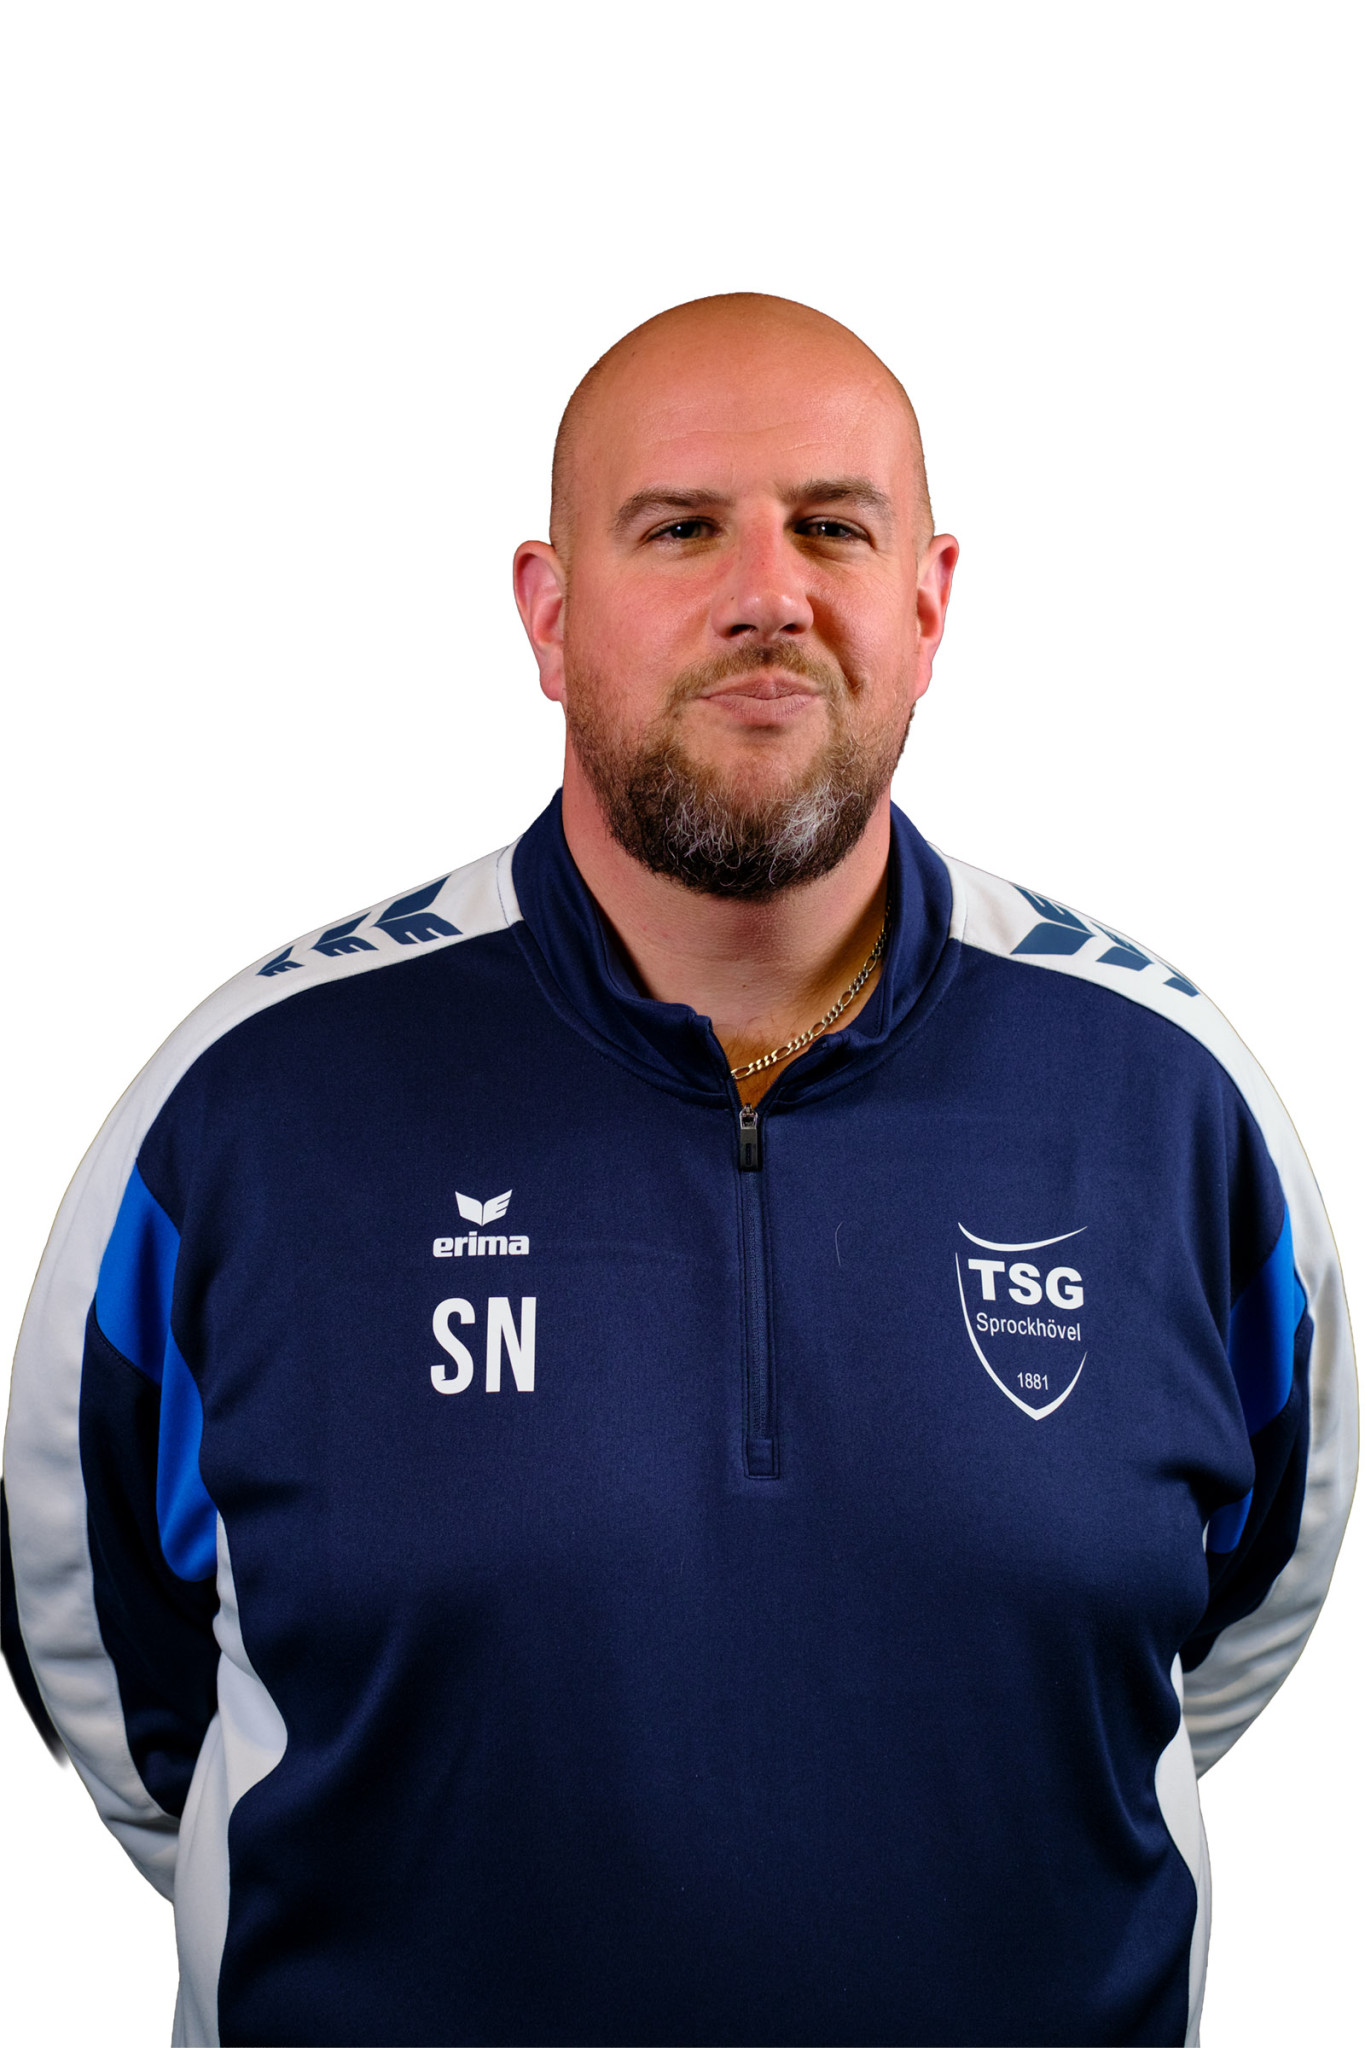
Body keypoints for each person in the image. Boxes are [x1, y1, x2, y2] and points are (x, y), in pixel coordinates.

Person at [1, 293, 1355, 2048]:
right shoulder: (252, 1105)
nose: (767, 593)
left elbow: (1232, 1622)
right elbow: (105, 1662)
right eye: (682, 528)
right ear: (549, 615)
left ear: (928, 602)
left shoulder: (1166, 1099)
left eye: (833, 527)